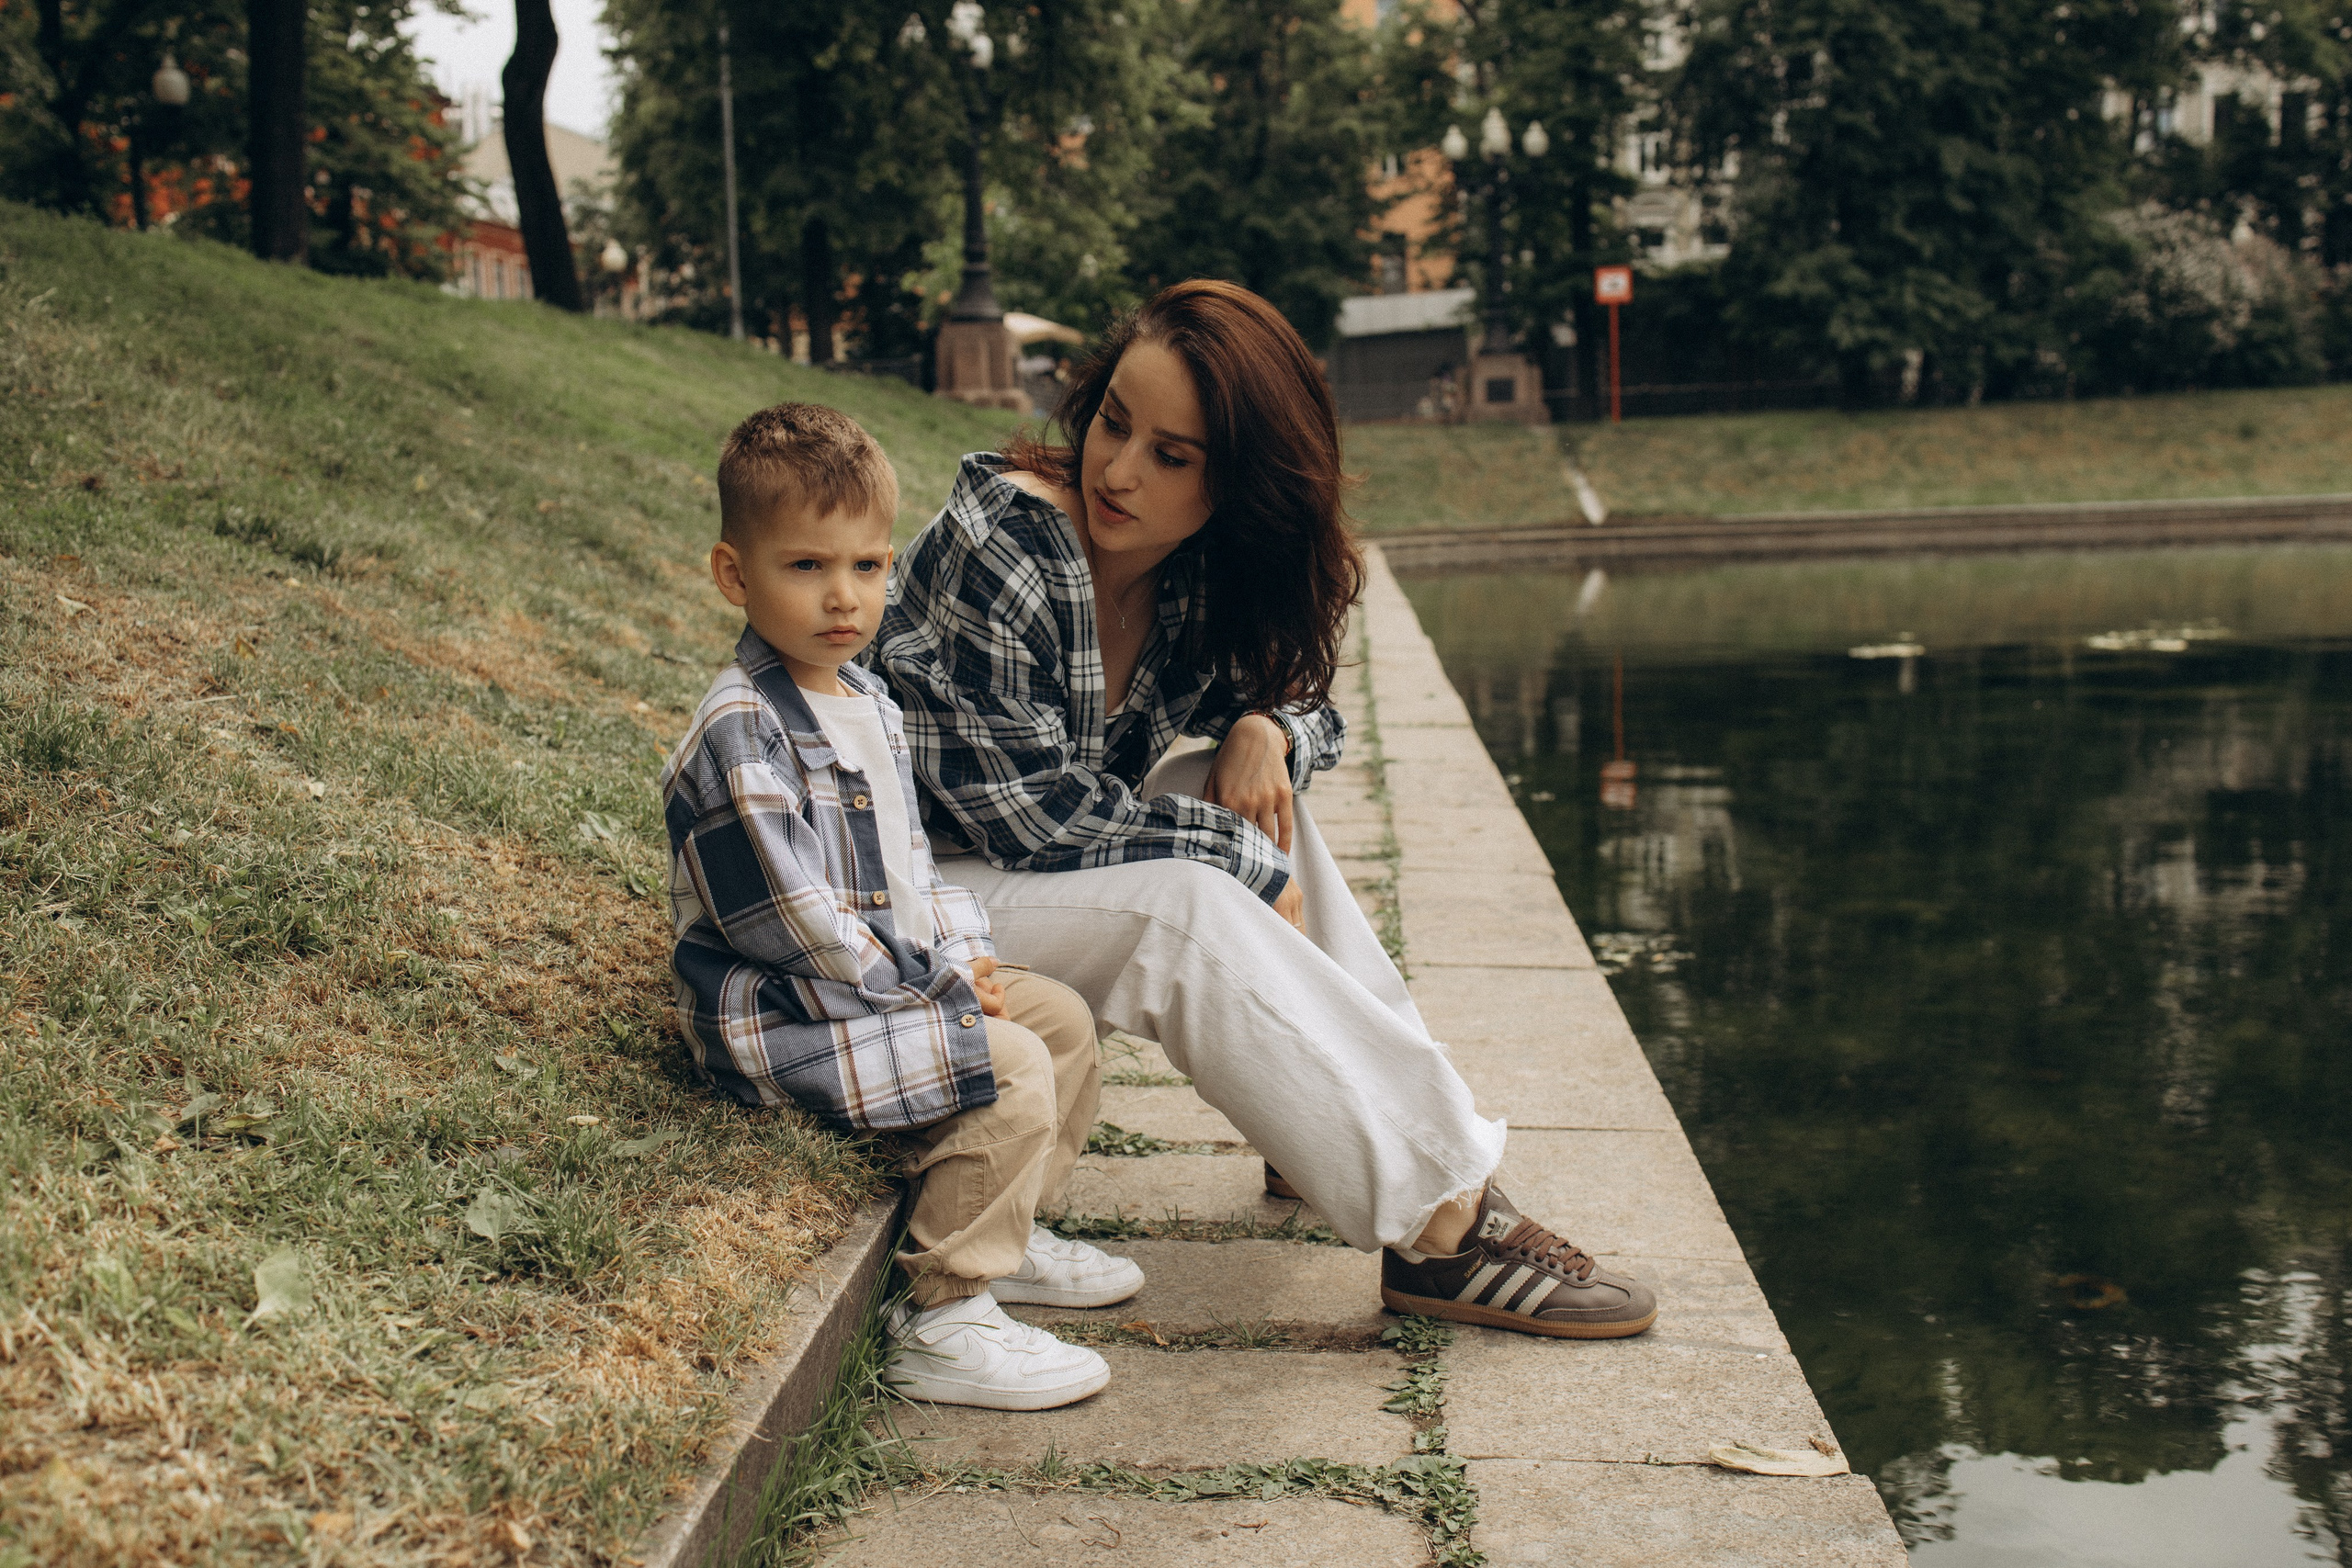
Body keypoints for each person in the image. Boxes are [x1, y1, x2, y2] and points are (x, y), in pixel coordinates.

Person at [875, 281, 1657, 1338]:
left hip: (1004, 891)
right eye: (1115, 422)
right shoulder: (1008, 543)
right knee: (1187, 900)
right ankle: (1444, 1224)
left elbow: (1302, 701)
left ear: (1235, 486)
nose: (1117, 470)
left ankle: (1343, 1135)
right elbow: (1038, 819)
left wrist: (1267, 733)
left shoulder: (1185, 575)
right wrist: (1242, 861)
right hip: (899, 907)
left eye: (1172, 455)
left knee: (1243, 802)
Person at [661, 403, 1148, 1411]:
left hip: (886, 981)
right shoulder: (741, 734)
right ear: (733, 574)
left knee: (1054, 1020)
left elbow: (918, 865)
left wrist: (965, 956)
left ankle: (1010, 1233)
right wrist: (935, 992)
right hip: (790, 1014)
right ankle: (943, 1313)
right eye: (806, 567)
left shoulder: (867, 699)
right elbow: (787, 926)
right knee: (1005, 1063)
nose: (844, 598)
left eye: (869, 567)